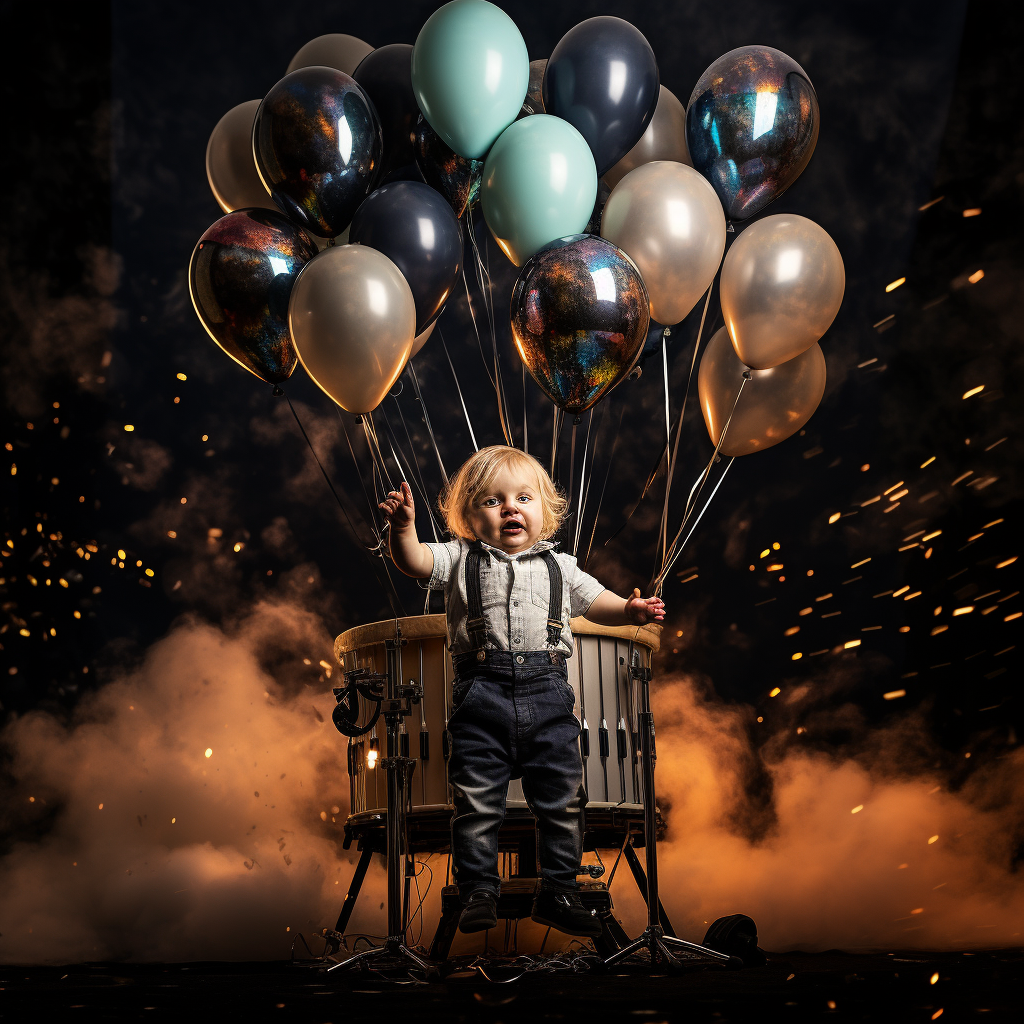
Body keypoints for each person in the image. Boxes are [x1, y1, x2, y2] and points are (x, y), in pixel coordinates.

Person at [378, 446, 664, 938]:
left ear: (545, 511)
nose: (510, 508)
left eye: (523, 498)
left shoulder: (563, 567)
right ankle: (478, 890)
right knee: (475, 800)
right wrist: (403, 529)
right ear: (468, 517)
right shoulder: (459, 558)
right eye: (492, 501)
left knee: (562, 799)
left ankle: (558, 890)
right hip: (480, 698)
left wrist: (631, 611)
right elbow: (416, 562)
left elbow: (599, 604)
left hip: (548, 697)